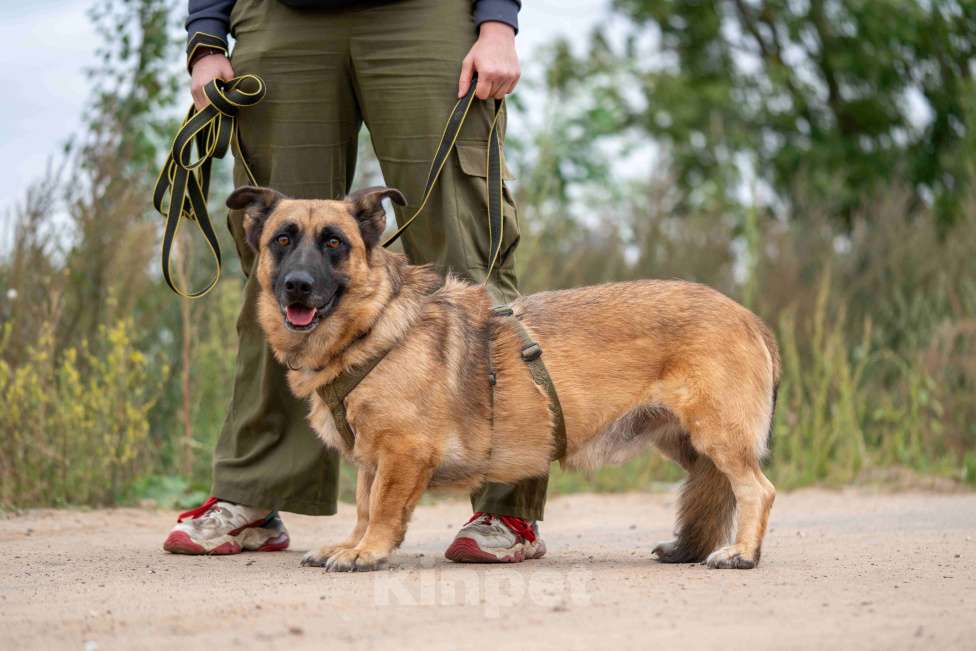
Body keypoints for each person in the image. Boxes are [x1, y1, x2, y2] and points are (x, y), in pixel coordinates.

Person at [162, 0, 550, 564]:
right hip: (281, 16)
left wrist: (497, 21)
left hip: (427, 14)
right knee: (284, 273)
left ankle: (505, 506)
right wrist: (206, 36)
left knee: (469, 260)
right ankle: (256, 495)